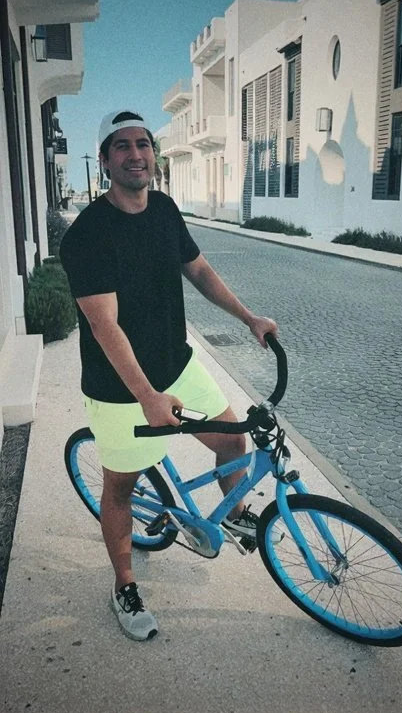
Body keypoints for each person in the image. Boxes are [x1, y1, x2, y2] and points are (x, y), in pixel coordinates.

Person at [60, 110, 278, 641]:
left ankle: (232, 513)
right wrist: (147, 396)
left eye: (144, 144)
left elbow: (198, 269)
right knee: (121, 489)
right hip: (120, 388)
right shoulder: (88, 235)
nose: (136, 154)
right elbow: (104, 324)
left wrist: (249, 317)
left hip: (177, 364)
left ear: (153, 155)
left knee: (233, 442)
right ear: (107, 159)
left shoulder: (163, 208)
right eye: (123, 146)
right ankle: (124, 585)